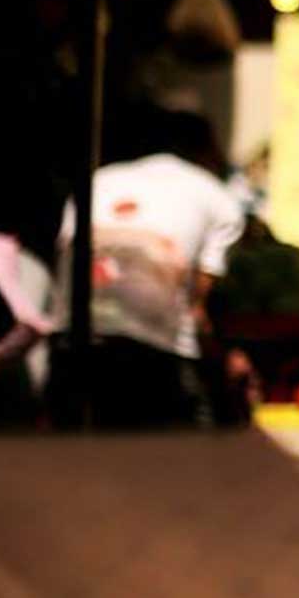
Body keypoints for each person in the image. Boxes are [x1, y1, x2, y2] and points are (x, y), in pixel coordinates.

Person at [52, 107, 246, 428]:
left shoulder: (97, 181)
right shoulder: (217, 198)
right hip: (154, 351)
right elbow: (197, 310)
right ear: (207, 149)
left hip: (71, 333)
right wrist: (223, 363)